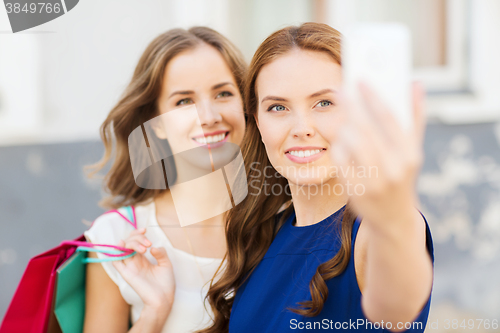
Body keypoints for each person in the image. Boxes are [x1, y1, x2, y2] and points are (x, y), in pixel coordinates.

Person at [202, 22, 434, 333]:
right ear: (257, 121)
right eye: (278, 107)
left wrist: (394, 216)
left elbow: (397, 309)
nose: (301, 127)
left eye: (324, 103)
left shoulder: (376, 229)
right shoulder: (262, 231)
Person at [83, 27, 247, 333]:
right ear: (155, 123)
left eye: (223, 93)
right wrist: (154, 313)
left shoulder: (288, 221)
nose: (208, 115)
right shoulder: (116, 237)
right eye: (184, 101)